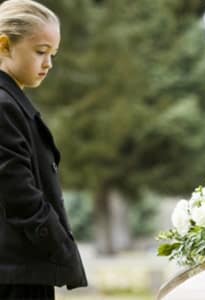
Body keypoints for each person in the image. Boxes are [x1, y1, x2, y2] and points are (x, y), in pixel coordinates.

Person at [0, 0, 88, 298]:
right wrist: (60, 246)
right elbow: (19, 194)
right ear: (4, 45)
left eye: (53, 54)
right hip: (14, 276)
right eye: (41, 52)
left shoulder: (11, 103)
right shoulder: (3, 106)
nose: (49, 63)